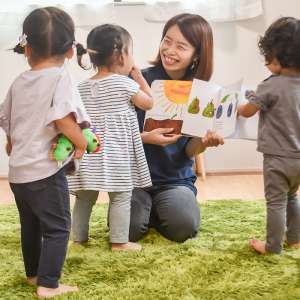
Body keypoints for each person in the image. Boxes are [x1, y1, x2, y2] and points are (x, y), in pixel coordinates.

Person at [0, 7, 90, 298]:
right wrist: (81, 143)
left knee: (31, 224)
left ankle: (33, 274)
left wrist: (13, 143)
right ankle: (49, 284)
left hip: (18, 173)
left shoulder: (19, 82)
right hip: (45, 171)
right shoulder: (60, 77)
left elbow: (7, 121)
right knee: (58, 227)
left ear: (27, 49)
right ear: (68, 51)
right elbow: (63, 119)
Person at [128, 13, 224, 243]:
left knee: (183, 229)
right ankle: (147, 210)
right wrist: (145, 138)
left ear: (196, 56)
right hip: (136, 180)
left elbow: (189, 152)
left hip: (175, 180)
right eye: (167, 41)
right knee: (128, 231)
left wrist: (204, 142)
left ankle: (158, 209)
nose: (170, 50)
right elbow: (114, 134)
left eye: (181, 46)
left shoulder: (201, 94)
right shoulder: (137, 82)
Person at [68, 24, 153, 251]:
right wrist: (138, 76)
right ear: (120, 55)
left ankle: (78, 239)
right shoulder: (126, 84)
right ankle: (119, 241)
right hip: (116, 156)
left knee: (84, 198)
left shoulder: (81, 87)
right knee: (121, 197)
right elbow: (150, 102)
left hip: (89, 153)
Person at [238, 17, 300, 254]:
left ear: (278, 56)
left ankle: (273, 246)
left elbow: (247, 111)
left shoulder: (271, 85)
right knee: (292, 197)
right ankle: (294, 239)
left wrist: (238, 107)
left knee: (276, 202)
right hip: (298, 158)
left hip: (277, 158)